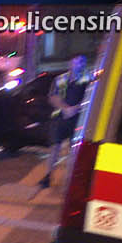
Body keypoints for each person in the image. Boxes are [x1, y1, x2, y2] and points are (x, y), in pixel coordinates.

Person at [40, 54, 89, 190]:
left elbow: (92, 96)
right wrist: (66, 109)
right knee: (54, 148)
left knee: (75, 150)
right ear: (70, 63)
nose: (80, 64)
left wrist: (75, 109)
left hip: (79, 119)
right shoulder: (60, 79)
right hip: (60, 118)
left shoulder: (88, 79)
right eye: (77, 62)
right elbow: (52, 97)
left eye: (82, 62)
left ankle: (71, 180)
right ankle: (48, 177)